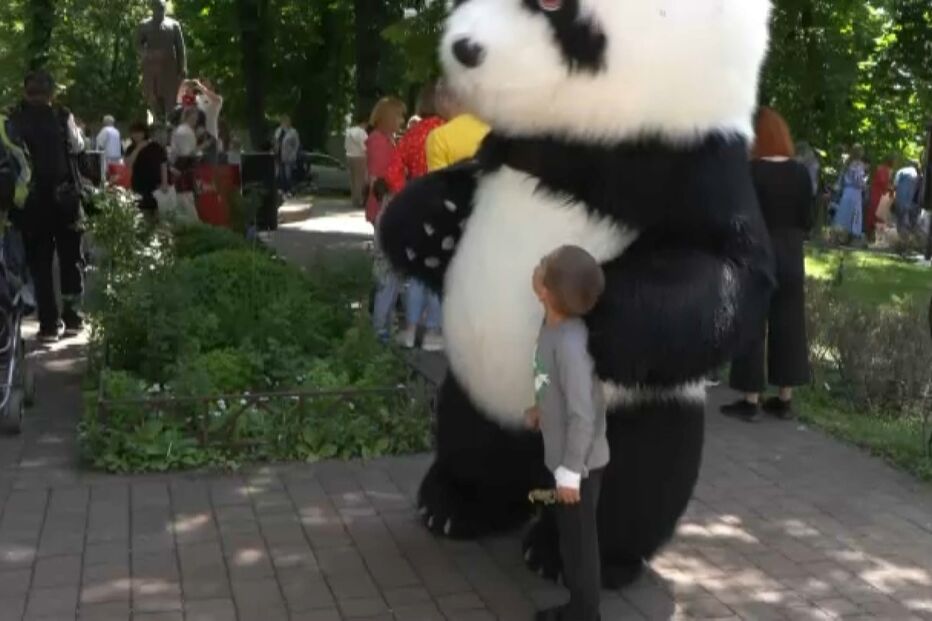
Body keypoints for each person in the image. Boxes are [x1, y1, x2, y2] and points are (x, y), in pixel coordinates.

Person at [526, 245, 608, 621]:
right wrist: (542, 410)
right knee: (570, 538)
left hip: (579, 466)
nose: (538, 265)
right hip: (564, 459)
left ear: (548, 291)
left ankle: (584, 612)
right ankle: (578, 605)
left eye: (545, 266)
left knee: (579, 544)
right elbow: (557, 390)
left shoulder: (572, 344)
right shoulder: (554, 327)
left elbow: (583, 413)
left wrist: (572, 471)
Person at [722, 108, 811, 422]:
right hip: (791, 251)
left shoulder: (752, 172)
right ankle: (784, 399)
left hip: (759, 250)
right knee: (789, 322)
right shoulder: (801, 173)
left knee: (752, 323)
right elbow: (807, 218)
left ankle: (750, 398)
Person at [8, 70, 86, 342]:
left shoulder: (14, 121)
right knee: (71, 259)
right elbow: (77, 147)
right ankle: (73, 318)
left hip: (31, 203)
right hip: (65, 199)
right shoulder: (63, 117)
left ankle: (49, 325)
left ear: (25, 92)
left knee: (40, 265)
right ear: (51, 93)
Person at [384, 82, 445, 352]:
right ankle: (432, 331)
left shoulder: (413, 134)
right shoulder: (448, 131)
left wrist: (404, 194)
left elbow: (392, 171)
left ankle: (409, 330)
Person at [366, 96, 406, 341]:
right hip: (385, 207)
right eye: (399, 115)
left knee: (387, 270)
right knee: (387, 271)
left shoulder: (383, 140)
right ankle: (381, 326)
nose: (402, 120)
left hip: (384, 206)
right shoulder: (380, 142)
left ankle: (384, 322)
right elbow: (381, 180)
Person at [425, 80, 490, 172]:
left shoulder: (439, 138)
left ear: (445, 99)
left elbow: (439, 182)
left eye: (437, 98)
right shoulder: (492, 130)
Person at [125, 121, 169, 214]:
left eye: (139, 132)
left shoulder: (155, 146)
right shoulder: (131, 148)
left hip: (155, 185)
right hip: (139, 184)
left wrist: (164, 182)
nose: (136, 135)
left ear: (144, 133)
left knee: (158, 211)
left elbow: (163, 164)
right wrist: (138, 148)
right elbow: (128, 164)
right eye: (134, 133)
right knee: (142, 212)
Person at [832, 144, 868, 243]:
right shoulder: (858, 164)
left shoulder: (847, 163)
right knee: (854, 213)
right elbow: (858, 179)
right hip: (855, 191)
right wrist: (864, 185)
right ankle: (852, 236)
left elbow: (841, 178)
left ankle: (839, 234)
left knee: (844, 212)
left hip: (847, 190)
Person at [170, 106, 200, 219]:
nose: (196, 119)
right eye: (194, 116)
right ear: (187, 116)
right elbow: (184, 154)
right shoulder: (184, 132)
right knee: (185, 201)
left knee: (186, 199)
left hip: (183, 168)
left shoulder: (186, 130)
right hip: (183, 169)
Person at [866, 155, 894, 241]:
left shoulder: (883, 169)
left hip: (880, 195)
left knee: (876, 216)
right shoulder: (883, 170)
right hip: (878, 195)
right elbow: (883, 182)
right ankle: (873, 238)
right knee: (876, 216)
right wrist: (891, 189)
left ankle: (875, 238)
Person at [344, 115, 368, 207]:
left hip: (349, 156)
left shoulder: (348, 132)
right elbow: (364, 146)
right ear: (363, 123)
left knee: (352, 179)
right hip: (360, 157)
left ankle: (354, 199)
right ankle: (359, 200)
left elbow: (345, 145)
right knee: (360, 180)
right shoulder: (362, 133)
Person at [273, 115, 300, 195]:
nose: (285, 123)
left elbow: (296, 144)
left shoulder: (293, 132)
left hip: (288, 156)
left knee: (288, 174)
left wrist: (294, 153)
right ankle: (282, 189)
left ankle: (289, 190)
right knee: (280, 174)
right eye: (283, 121)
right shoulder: (278, 131)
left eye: (287, 121)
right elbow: (275, 141)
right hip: (278, 155)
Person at [893, 160, 920, 234]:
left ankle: (900, 234)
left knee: (900, 216)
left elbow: (895, 184)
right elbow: (917, 189)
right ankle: (906, 234)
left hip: (901, 198)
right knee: (906, 215)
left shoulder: (901, 171)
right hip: (910, 202)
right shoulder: (916, 174)